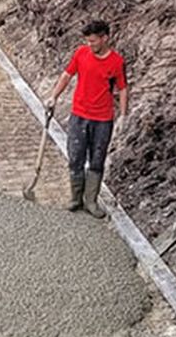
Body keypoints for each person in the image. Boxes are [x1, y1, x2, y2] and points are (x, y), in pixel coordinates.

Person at [47, 19, 128, 217]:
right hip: (79, 116)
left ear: (104, 38)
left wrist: (124, 116)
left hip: (102, 120)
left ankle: (91, 201)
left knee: (97, 160)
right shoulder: (81, 54)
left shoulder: (116, 62)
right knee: (75, 157)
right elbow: (67, 75)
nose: (89, 45)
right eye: (87, 41)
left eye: (93, 41)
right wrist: (53, 97)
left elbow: (123, 89)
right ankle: (76, 198)